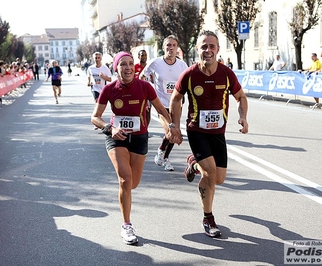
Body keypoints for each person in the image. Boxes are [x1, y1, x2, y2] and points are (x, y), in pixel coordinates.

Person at [168, 30, 249, 238]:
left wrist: (243, 117)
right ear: (197, 49)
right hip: (196, 131)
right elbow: (176, 99)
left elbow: (241, 97)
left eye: (212, 46)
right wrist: (174, 125)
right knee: (210, 173)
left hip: (218, 133)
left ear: (218, 49)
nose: (208, 50)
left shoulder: (227, 74)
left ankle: (193, 163)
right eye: (204, 46)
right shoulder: (190, 74)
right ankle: (208, 218)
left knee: (219, 178)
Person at [91, 52, 175, 245]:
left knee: (133, 183)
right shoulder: (110, 89)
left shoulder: (145, 87)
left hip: (139, 137)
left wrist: (171, 126)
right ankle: (126, 225)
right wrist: (109, 128)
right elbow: (95, 116)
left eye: (130, 64)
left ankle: (125, 199)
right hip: (116, 138)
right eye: (123, 64)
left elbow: (162, 110)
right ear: (116, 68)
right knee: (124, 180)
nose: (128, 68)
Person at [140, 35, 188, 171]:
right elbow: (141, 77)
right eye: (168, 45)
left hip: (177, 103)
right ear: (163, 47)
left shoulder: (182, 65)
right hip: (160, 103)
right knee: (170, 130)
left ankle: (163, 155)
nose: (171, 48)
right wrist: (147, 95)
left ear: (177, 48)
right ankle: (164, 156)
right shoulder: (155, 62)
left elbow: (187, 82)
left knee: (176, 131)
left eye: (173, 45)